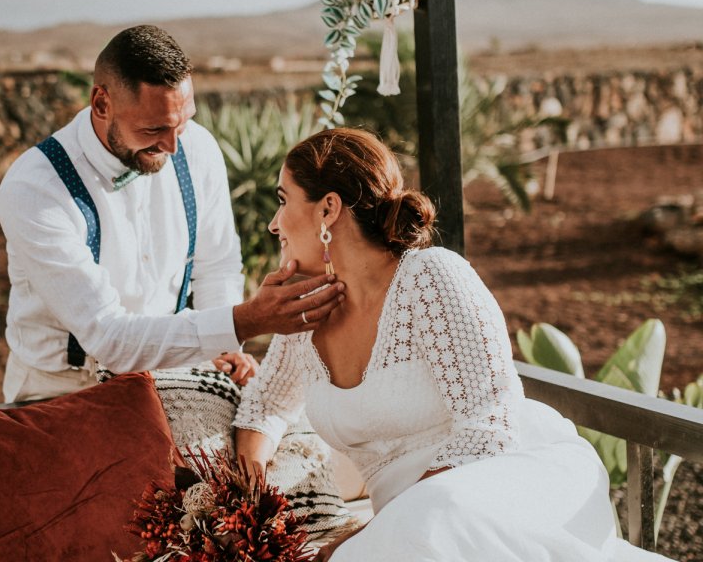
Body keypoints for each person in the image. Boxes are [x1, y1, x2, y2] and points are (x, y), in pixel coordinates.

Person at [233, 127, 671, 562]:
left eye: (283, 199)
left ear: (328, 208)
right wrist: (252, 501)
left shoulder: (431, 277)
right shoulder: (307, 312)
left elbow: (490, 426)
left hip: (505, 482)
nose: (274, 223)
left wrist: (373, 532)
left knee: (426, 523)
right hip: (414, 524)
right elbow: (265, 406)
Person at [0, 25, 343, 402]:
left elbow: (217, 263)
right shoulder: (36, 188)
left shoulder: (196, 148)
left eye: (183, 121)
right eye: (154, 128)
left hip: (170, 375)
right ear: (101, 104)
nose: (173, 145)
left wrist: (224, 345)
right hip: (60, 391)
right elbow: (109, 337)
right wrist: (246, 319)